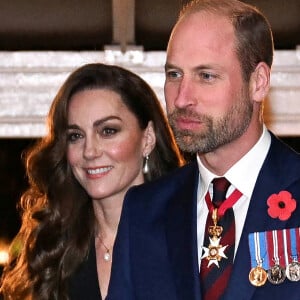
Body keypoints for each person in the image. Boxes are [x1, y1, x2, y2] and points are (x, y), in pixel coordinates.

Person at [107, 0, 300, 299]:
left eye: (205, 76)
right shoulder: (143, 213)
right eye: (174, 75)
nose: (182, 98)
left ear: (258, 83)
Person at [0, 63, 184, 300]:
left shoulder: (187, 235)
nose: (89, 151)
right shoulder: (57, 248)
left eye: (108, 131)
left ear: (147, 138)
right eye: (76, 136)